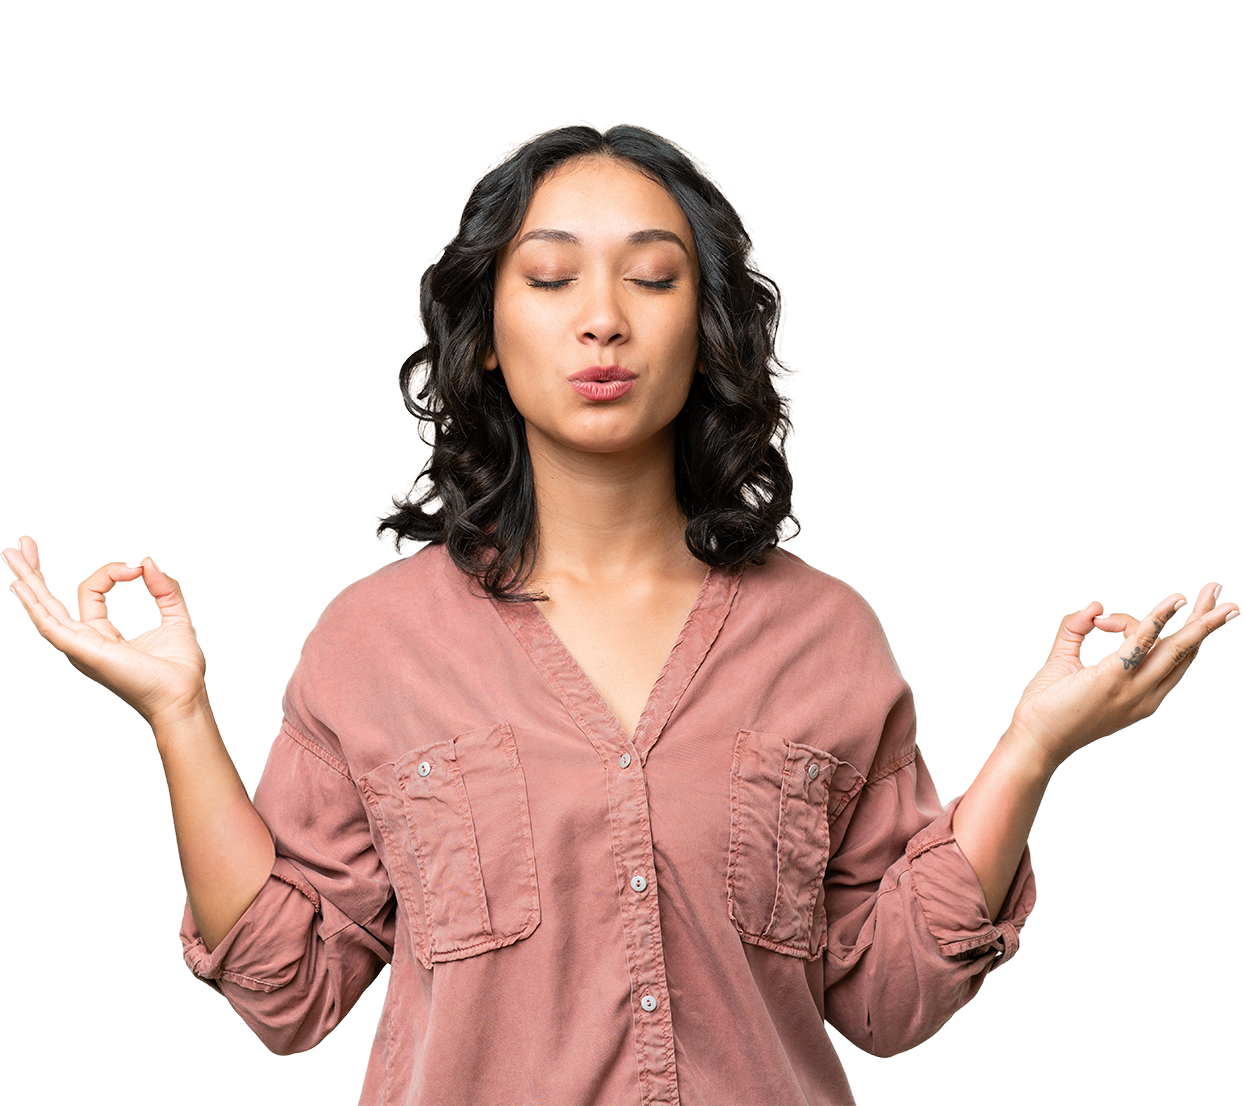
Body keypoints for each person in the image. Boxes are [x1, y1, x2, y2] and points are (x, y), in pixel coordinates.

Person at [3, 123, 1237, 1106]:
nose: (602, 316)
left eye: (652, 277)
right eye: (549, 277)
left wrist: (1032, 749)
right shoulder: (371, 645)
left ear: (703, 332)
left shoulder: (826, 638)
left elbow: (883, 1000)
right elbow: (294, 989)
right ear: (484, 333)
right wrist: (174, 713)